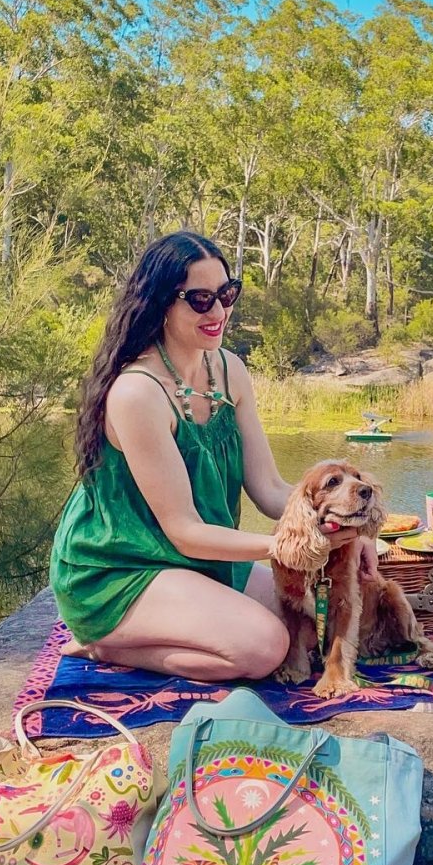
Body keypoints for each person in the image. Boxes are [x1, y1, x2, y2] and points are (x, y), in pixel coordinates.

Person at [50, 231, 372, 682]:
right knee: (265, 648)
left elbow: (269, 488)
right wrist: (292, 546)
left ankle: (161, 627)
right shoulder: (137, 393)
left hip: (192, 559)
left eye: (226, 294)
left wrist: (345, 526)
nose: (219, 312)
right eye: (200, 300)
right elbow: (184, 530)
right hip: (119, 569)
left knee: (299, 621)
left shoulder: (227, 370)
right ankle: (107, 645)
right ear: (161, 302)